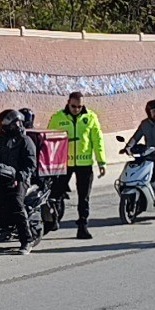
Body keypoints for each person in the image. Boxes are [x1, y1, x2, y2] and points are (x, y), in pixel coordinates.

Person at [47, 91, 106, 239]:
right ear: (68, 103)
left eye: (79, 107)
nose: (76, 109)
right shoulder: (58, 118)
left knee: (83, 197)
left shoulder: (91, 117)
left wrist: (101, 161)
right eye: (74, 106)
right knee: (56, 194)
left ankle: (82, 226)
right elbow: (50, 140)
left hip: (84, 163)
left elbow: (97, 141)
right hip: (64, 163)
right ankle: (53, 219)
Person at [0, 109, 37, 254]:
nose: (14, 126)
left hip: (19, 179)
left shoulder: (24, 141)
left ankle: (27, 240)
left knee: (16, 203)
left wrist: (20, 176)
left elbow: (31, 163)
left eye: (15, 123)